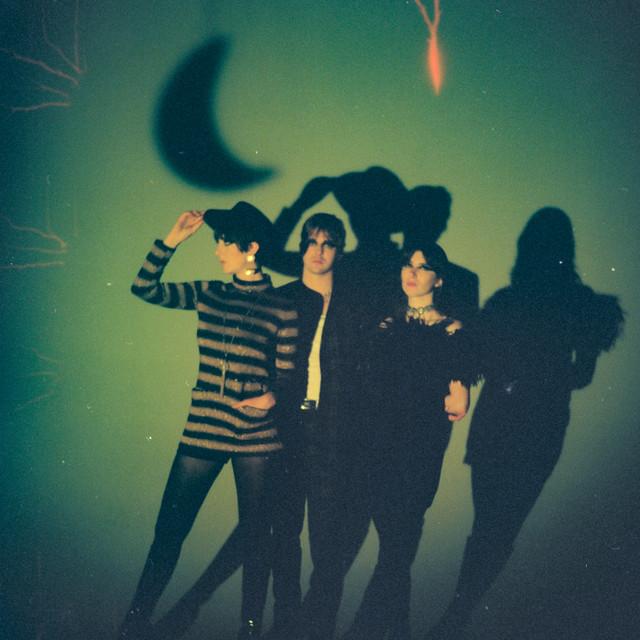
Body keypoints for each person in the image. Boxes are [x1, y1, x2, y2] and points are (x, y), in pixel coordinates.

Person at [425, 207, 625, 639]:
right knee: (499, 528)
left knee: (487, 526)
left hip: (502, 418)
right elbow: (582, 376)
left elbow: (481, 358)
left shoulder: (508, 301)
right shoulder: (580, 305)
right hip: (538, 423)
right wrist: (544, 374)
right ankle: (458, 614)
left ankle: (456, 615)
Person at [119, 202, 297, 640]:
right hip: (204, 428)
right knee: (169, 532)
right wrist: (173, 239)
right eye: (217, 241)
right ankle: (133, 625)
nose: (217, 249)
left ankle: (249, 631)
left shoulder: (282, 307)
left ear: (251, 247)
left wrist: (272, 396)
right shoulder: (209, 293)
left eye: (224, 242)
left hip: (257, 436)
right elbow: (143, 288)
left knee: (256, 540)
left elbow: (289, 374)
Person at [342, 243, 474, 640]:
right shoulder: (384, 323)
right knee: (396, 548)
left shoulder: (452, 329)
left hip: (419, 450)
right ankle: (394, 629)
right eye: (408, 264)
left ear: (439, 279)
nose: (412, 273)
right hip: (377, 447)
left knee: (397, 545)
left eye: (423, 266)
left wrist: (455, 388)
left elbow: (457, 401)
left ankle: (367, 631)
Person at [264, 212, 371, 640]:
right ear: (301, 247)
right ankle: (286, 622)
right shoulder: (282, 298)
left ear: (339, 251)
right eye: (311, 242)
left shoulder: (356, 304)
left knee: (327, 540)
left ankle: (319, 626)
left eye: (327, 243)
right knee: (284, 531)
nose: (318, 251)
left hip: (335, 430)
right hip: (287, 427)